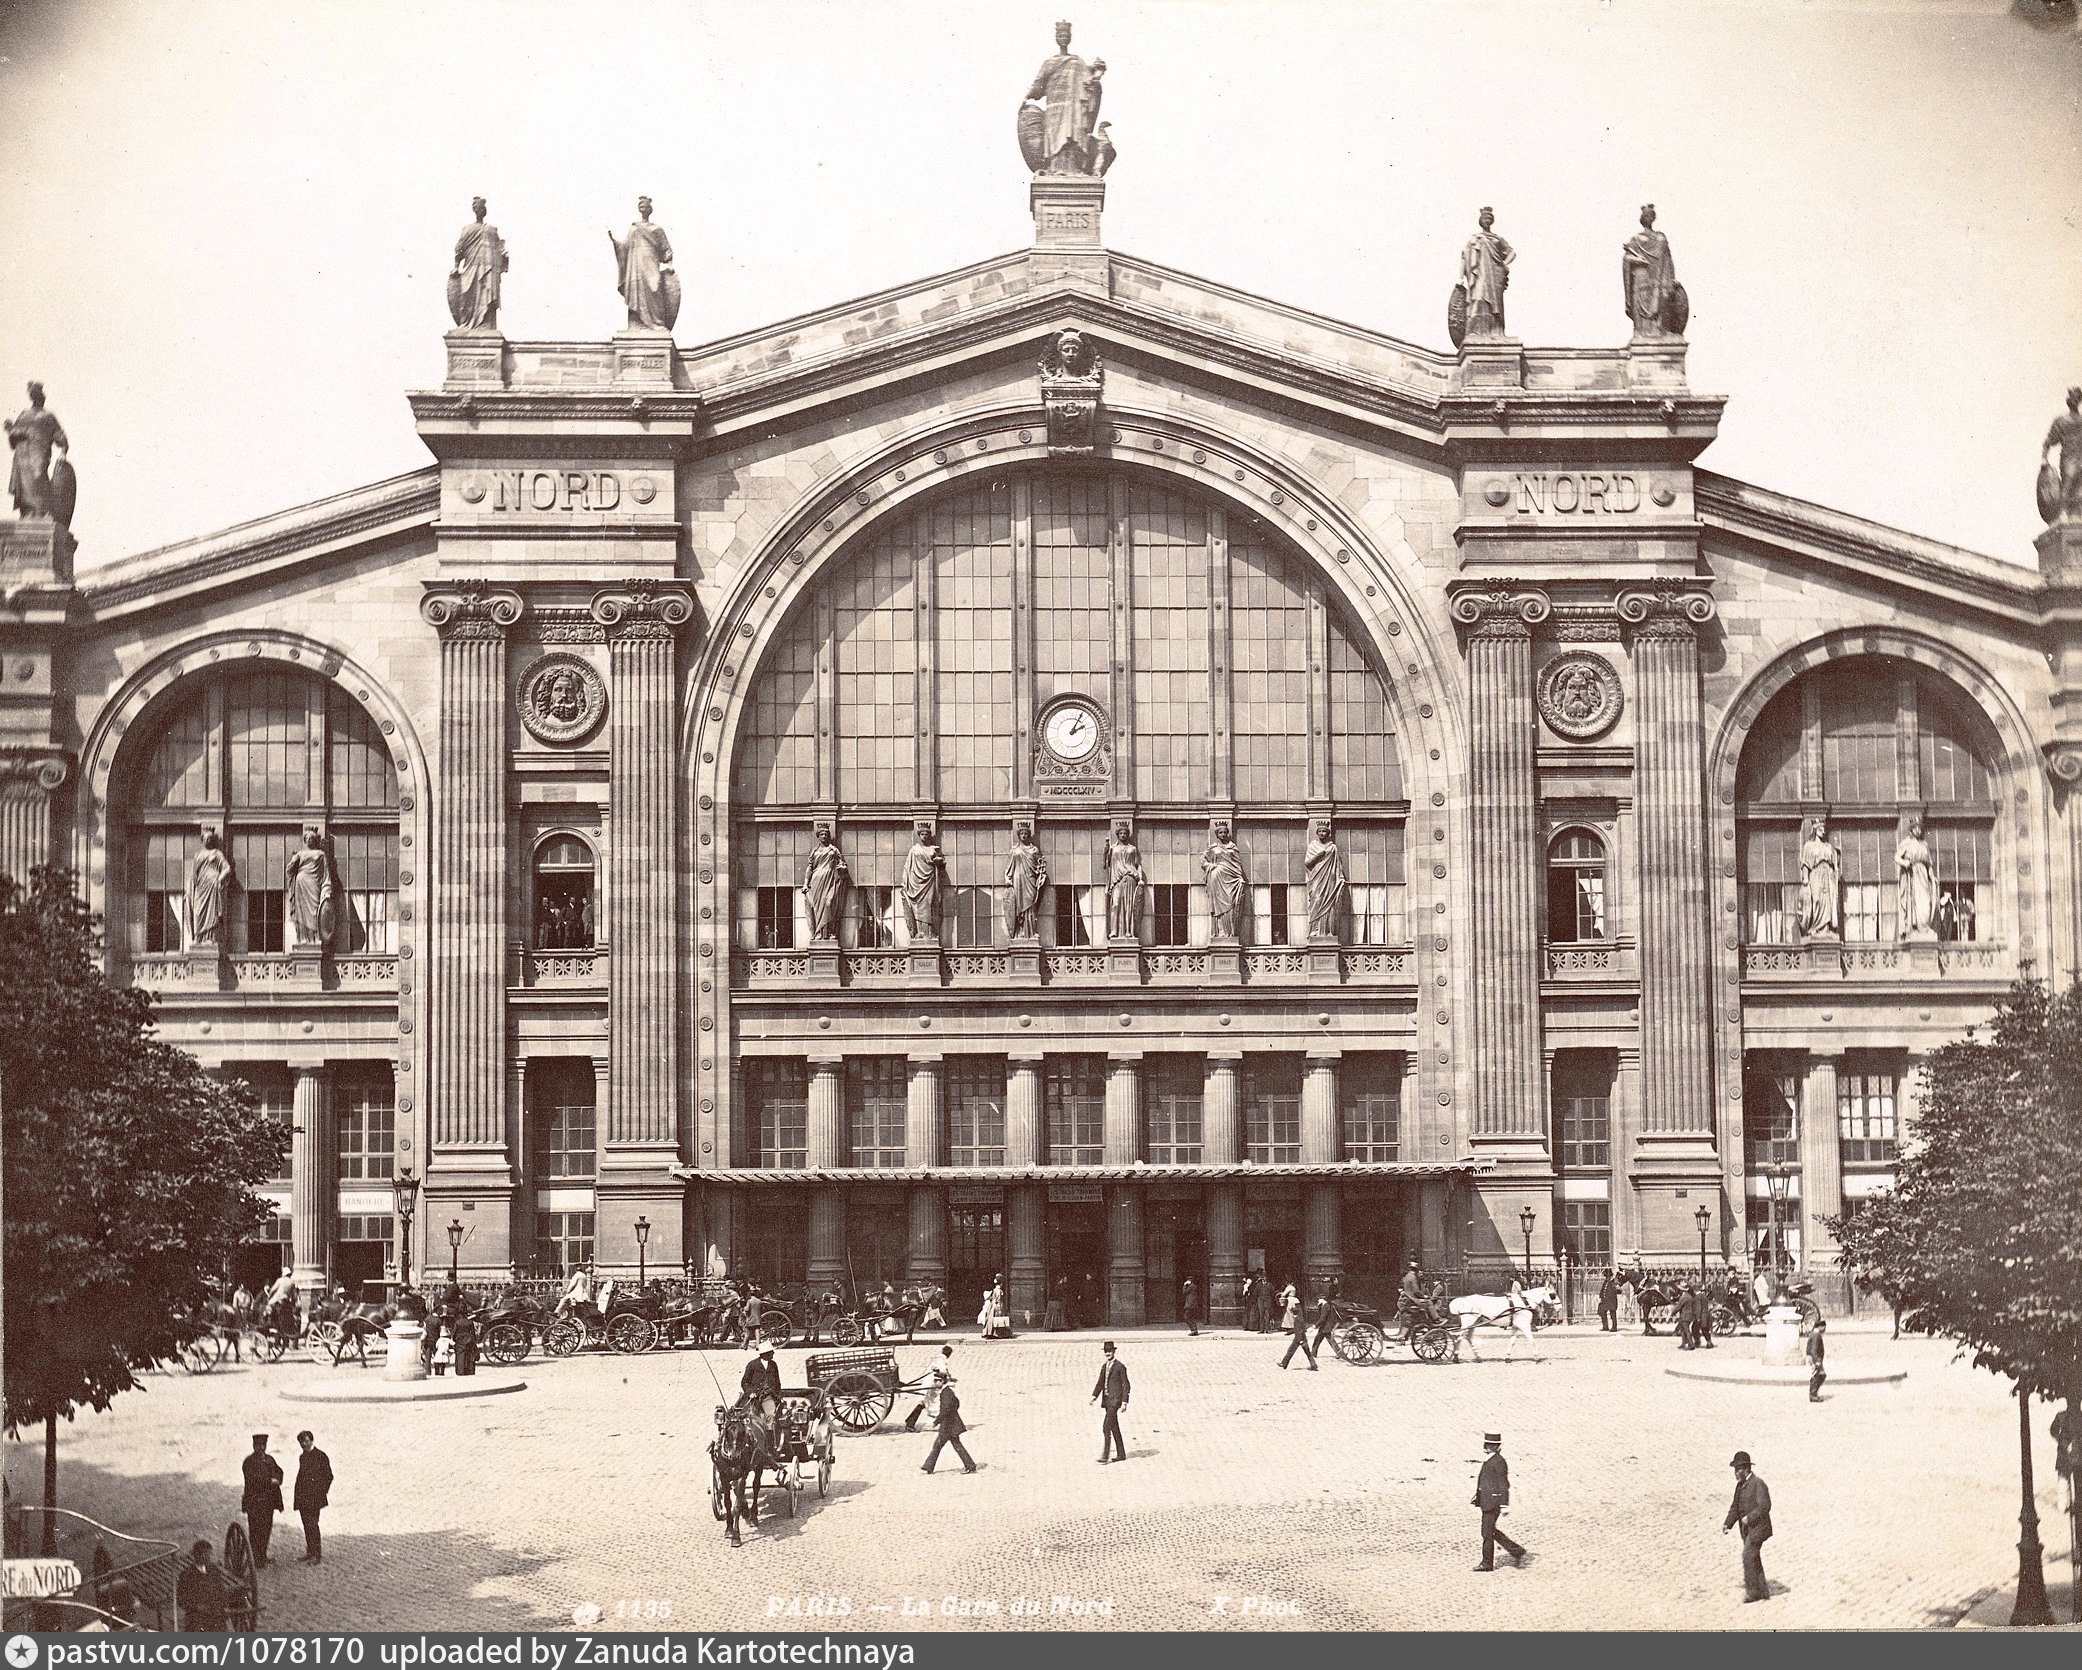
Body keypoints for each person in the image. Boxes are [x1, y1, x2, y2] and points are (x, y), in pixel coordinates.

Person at [1723, 1450, 1774, 1602]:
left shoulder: (1758, 1483)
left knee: (1748, 1556)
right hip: (1747, 1530)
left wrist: (1749, 1518)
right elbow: (1735, 1507)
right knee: (1753, 1557)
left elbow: (1765, 1506)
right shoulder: (1739, 1486)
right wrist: (1727, 1524)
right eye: (1734, 1469)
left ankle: (1752, 1593)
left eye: (1737, 1469)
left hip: (1759, 1529)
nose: (1735, 1473)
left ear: (1746, 1468)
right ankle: (1763, 1591)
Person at [1473, 1433, 1527, 1570]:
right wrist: (1478, 1496)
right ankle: (1516, 1551)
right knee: (1490, 1531)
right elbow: (1485, 1481)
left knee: (1487, 1533)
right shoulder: (1490, 1460)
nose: (1486, 1446)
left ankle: (1487, 1563)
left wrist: (1504, 1504)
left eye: (1490, 1444)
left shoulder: (1499, 1462)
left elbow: (1503, 1484)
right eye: (1486, 1443)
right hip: (1487, 1501)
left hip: (1493, 1502)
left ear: (1496, 1447)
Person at [239, 1434, 283, 1567]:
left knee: (266, 1529)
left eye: (263, 1445)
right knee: (255, 1530)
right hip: (255, 1502)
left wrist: (277, 1479)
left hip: (268, 1502)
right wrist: (270, 1481)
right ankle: (256, 1559)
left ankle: (262, 1555)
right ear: (254, 1446)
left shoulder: (269, 1459)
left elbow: (279, 1471)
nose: (261, 1448)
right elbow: (252, 1479)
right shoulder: (249, 1462)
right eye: (259, 1446)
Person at [921, 1375, 976, 1475]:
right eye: (935, 1381)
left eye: (937, 1381)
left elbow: (945, 1410)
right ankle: (970, 1465)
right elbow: (956, 1403)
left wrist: (936, 1422)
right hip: (951, 1424)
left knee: (938, 1445)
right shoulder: (947, 1391)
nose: (935, 1383)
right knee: (955, 1445)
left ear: (942, 1381)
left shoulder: (946, 1393)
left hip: (948, 1425)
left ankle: (929, 1467)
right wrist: (953, 1412)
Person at [294, 1430, 332, 1563]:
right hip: (303, 1498)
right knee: (306, 1525)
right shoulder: (302, 1457)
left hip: (314, 1498)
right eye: (301, 1442)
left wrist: (321, 1492)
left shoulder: (321, 1456)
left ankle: (317, 1554)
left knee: (313, 1525)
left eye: (306, 1441)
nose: (304, 1444)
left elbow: (329, 1476)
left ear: (311, 1440)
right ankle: (310, 1552)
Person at [1091, 1340, 1131, 1463]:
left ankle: (1105, 1455)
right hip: (1107, 1401)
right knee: (1114, 1427)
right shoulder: (1104, 1366)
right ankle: (1121, 1454)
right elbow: (1100, 1383)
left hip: (1115, 1401)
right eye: (1106, 1351)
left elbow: (1126, 1385)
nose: (1107, 1353)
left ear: (1114, 1351)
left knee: (1106, 1427)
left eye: (1109, 1351)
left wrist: (1124, 1402)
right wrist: (1094, 1396)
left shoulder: (1120, 1367)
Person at [176, 1540, 229, 1630]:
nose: (209, 1557)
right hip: (197, 1617)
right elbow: (181, 1600)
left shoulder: (214, 1570)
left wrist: (223, 1605)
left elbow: (221, 1590)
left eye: (209, 1554)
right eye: (206, 1554)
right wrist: (196, 1607)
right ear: (197, 1555)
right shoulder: (186, 1575)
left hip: (215, 1614)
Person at [904, 1345, 956, 1432]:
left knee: (925, 1402)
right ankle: (913, 1423)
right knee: (933, 1402)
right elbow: (943, 1371)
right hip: (932, 1382)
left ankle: (910, 1422)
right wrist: (948, 1379)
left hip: (931, 1381)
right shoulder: (941, 1360)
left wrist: (949, 1377)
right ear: (949, 1354)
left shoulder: (938, 1358)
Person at [1278, 1281, 1317, 1370]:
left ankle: (1284, 1363)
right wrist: (1290, 1332)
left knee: (1292, 1350)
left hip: (1299, 1337)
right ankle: (1313, 1365)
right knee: (1306, 1351)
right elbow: (1299, 1327)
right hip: (1300, 1336)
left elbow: (1299, 1327)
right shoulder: (1299, 1317)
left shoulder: (1297, 1319)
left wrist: (1300, 1339)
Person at [1805, 1316, 1827, 1402]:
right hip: (1816, 1359)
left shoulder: (1814, 1334)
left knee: (1819, 1375)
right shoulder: (1816, 1335)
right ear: (1820, 1326)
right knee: (1818, 1376)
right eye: (1824, 1327)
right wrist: (1817, 1361)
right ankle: (1813, 1395)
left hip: (1814, 1358)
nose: (1824, 1329)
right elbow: (1814, 1349)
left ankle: (1813, 1394)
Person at [1597, 1268, 1620, 1332]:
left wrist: (1618, 1289)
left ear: (1611, 1276)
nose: (1607, 1278)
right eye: (1606, 1276)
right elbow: (1602, 1290)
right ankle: (1605, 1327)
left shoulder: (1614, 1282)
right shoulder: (1605, 1282)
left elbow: (1619, 1291)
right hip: (1604, 1301)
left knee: (1613, 1314)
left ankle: (1614, 1327)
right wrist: (1600, 1297)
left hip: (1612, 1301)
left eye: (1608, 1276)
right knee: (1602, 1313)